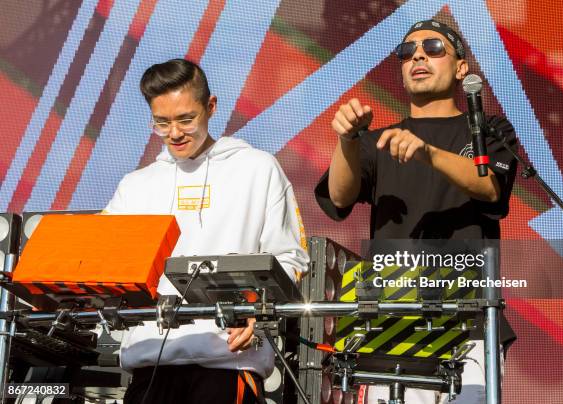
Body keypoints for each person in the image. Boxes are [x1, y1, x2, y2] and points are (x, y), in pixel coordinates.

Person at [314, 20, 517, 403]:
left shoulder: (487, 131)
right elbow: (339, 199)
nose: (418, 55)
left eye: (433, 47)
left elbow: (489, 187)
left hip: (468, 323)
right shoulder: (379, 141)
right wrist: (347, 141)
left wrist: (426, 152)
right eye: (407, 52)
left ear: (461, 68)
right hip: (393, 321)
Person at [103, 58, 309, 404]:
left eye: (186, 119)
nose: (175, 133)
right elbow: (108, 264)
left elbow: (291, 258)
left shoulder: (257, 169)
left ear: (211, 107)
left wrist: (252, 306)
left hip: (227, 363)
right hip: (151, 363)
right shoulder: (135, 186)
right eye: (162, 123)